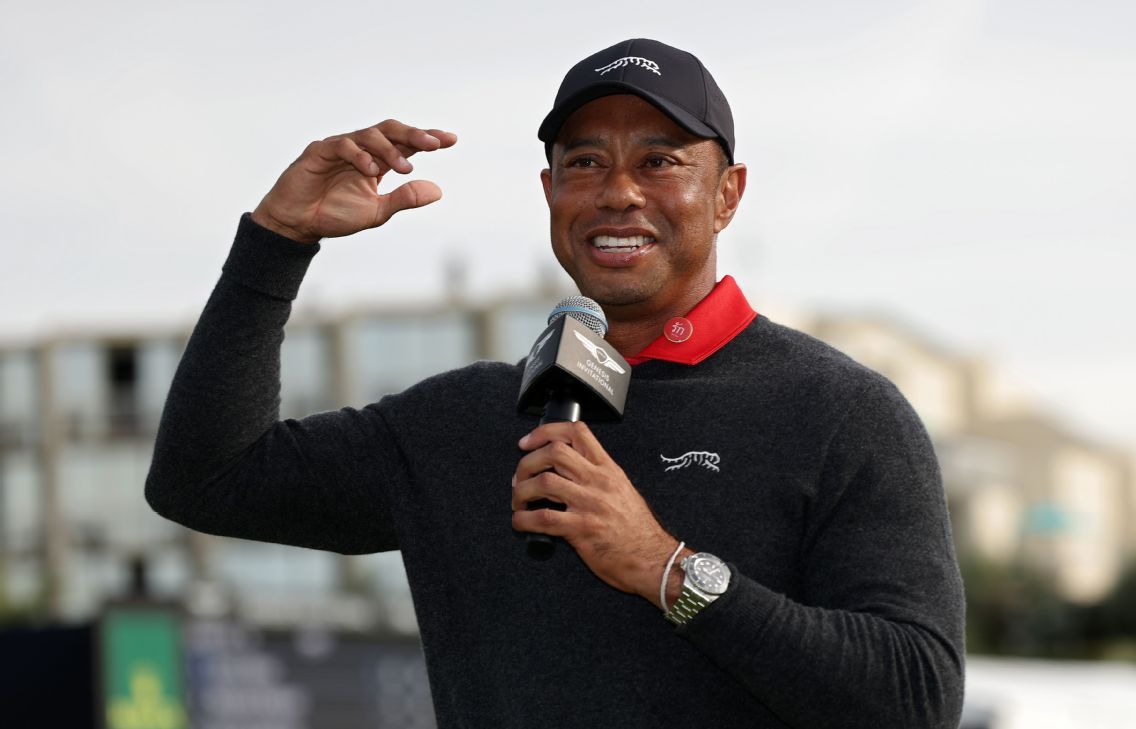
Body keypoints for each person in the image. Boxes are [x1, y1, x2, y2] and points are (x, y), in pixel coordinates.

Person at [147, 38, 965, 728]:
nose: (618, 192)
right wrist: (278, 241)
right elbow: (205, 478)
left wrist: (665, 567)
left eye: (659, 161)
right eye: (585, 162)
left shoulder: (841, 412)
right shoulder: (465, 419)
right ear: (550, 193)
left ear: (727, 194)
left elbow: (917, 697)